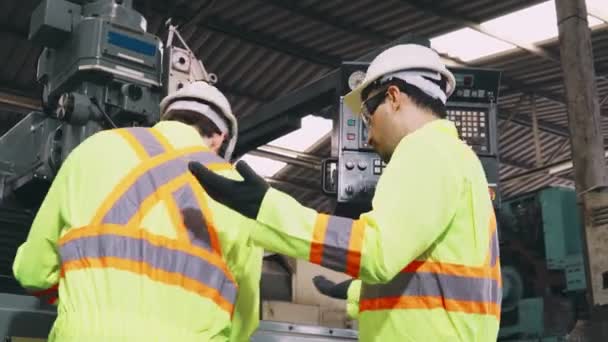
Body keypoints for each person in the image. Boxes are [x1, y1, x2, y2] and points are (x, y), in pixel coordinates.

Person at [188, 44, 502, 341]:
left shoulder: (425, 149)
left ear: (393, 97)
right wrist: (356, 292)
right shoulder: (458, 159)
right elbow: (428, 272)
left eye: (367, 116)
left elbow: (378, 252)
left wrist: (267, 209)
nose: (368, 137)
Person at [12, 81, 263, 341]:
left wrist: (83, 302)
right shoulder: (240, 192)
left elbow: (33, 271)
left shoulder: (91, 149)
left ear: (167, 117)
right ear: (220, 138)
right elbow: (244, 315)